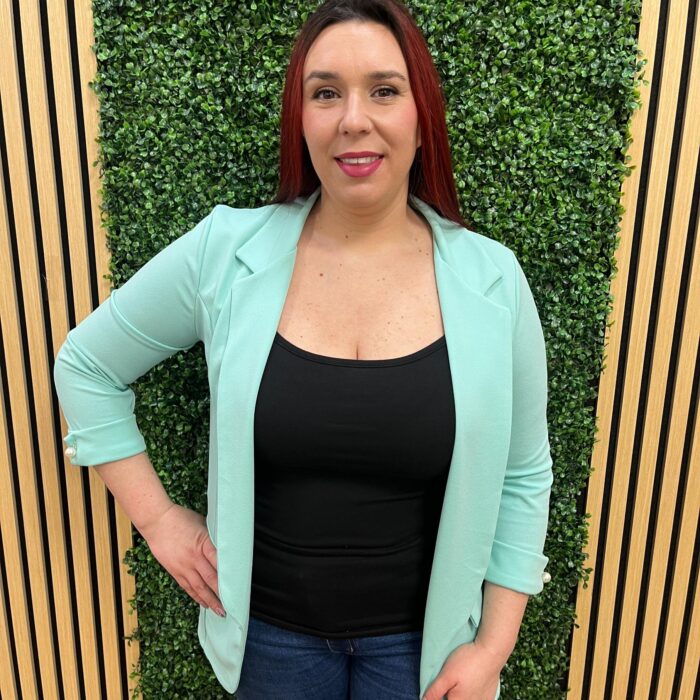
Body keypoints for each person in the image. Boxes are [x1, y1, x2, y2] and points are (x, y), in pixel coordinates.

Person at [53, 0, 554, 698]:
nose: (354, 118)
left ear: (422, 118)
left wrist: (492, 650)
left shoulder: (493, 281)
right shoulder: (225, 253)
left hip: (425, 657)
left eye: (384, 90)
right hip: (270, 649)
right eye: (325, 93)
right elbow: (86, 365)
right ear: (301, 118)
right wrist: (160, 522)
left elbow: (523, 475)